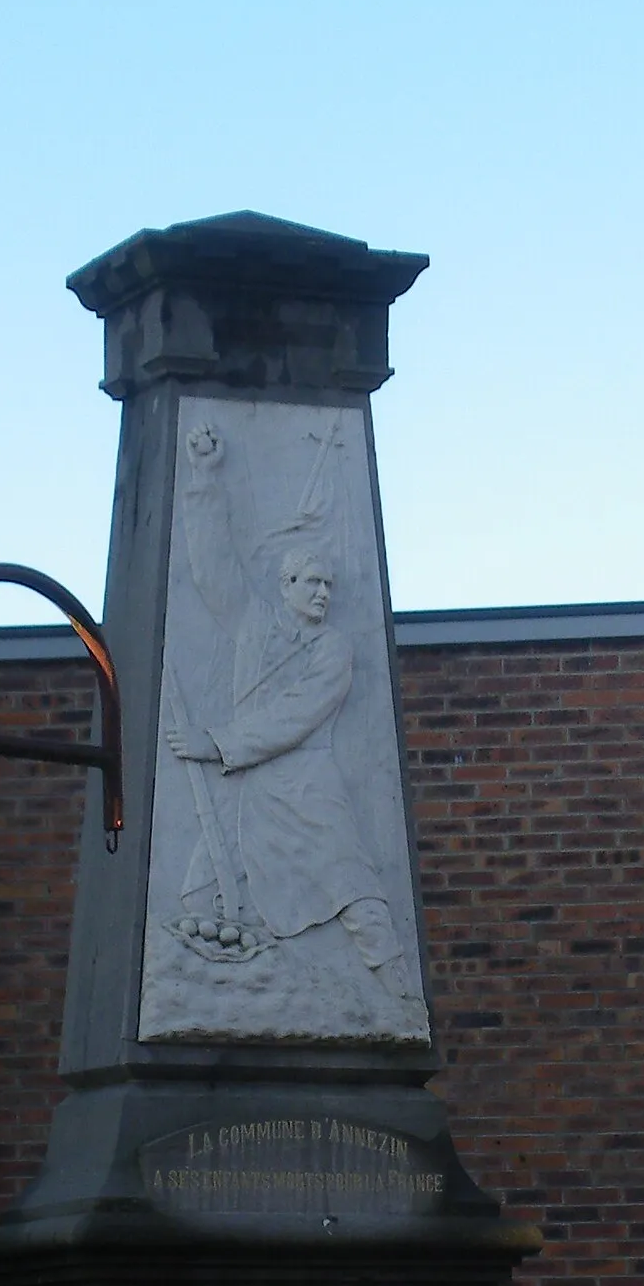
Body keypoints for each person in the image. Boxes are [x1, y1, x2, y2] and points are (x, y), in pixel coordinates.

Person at [164, 423, 421, 1009]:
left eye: (329, 584)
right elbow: (210, 567)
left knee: (350, 880)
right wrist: (204, 478)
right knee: (205, 890)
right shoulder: (253, 622)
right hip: (250, 791)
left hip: (307, 786)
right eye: (313, 582)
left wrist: (216, 742)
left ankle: (396, 995)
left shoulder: (334, 649)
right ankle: (244, 994)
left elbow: (296, 716)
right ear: (286, 586)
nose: (324, 593)